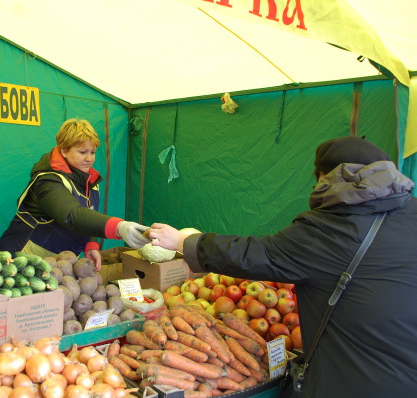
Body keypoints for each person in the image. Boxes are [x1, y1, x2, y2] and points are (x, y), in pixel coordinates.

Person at [148, 136, 417, 397]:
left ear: (326, 178)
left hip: (353, 379)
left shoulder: (333, 227)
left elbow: (257, 255)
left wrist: (184, 241)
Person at [0, 118, 150, 270]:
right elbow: (71, 215)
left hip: (56, 265)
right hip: (20, 260)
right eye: (82, 152)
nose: (89, 158)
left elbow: (86, 217)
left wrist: (90, 245)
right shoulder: (48, 181)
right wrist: (118, 226)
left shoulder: (89, 182)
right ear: (64, 150)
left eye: (93, 152)